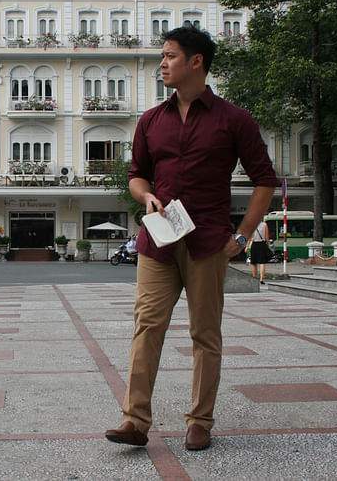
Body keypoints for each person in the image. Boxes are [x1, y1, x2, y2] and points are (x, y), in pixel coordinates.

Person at [104, 26, 278, 451]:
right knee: (147, 326)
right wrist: (145, 196)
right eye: (162, 57)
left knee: (205, 334)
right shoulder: (151, 120)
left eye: (169, 56)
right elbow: (136, 176)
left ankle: (200, 420)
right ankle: (134, 420)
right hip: (157, 241)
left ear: (196, 61)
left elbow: (264, 180)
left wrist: (243, 233)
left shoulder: (234, 119)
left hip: (208, 243)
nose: (162, 64)